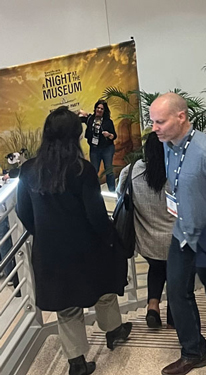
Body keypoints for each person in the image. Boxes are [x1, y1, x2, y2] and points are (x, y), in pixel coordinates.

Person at [16, 106, 132, 375]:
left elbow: (24, 212)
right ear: (74, 135)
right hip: (87, 247)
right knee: (104, 288)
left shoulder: (28, 170)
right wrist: (110, 239)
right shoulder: (82, 170)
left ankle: (77, 362)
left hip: (50, 252)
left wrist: (44, 233)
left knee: (66, 307)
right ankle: (113, 331)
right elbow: (95, 215)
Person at [151, 93, 206, 375]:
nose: (154, 127)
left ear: (181, 117)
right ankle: (193, 351)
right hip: (182, 235)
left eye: (160, 121)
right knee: (177, 292)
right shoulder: (168, 145)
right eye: (152, 121)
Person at [116, 132, 176, 329]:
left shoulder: (131, 170)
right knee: (176, 274)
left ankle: (153, 307)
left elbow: (120, 196)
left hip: (147, 237)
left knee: (156, 268)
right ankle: (174, 316)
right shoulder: (177, 171)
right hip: (175, 237)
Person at [79, 100, 117, 192]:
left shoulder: (108, 122)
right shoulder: (90, 119)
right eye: (98, 108)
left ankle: (113, 192)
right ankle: (94, 192)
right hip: (94, 149)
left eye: (101, 109)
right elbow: (79, 118)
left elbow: (114, 136)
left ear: (104, 111)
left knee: (109, 171)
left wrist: (108, 135)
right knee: (94, 171)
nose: (99, 110)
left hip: (107, 149)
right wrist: (80, 113)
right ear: (95, 108)